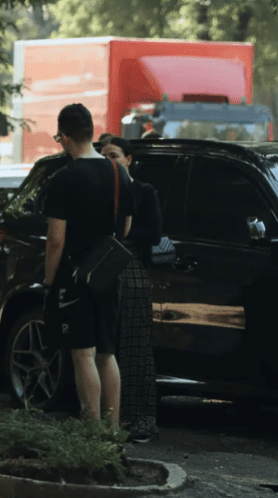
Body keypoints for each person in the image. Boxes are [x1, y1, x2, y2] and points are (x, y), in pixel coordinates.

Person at [43, 104, 136, 425]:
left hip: (75, 275)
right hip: (109, 272)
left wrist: (49, 281)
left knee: (83, 354)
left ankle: (92, 433)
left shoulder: (64, 178)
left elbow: (56, 240)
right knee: (107, 354)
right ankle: (112, 433)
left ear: (66, 138)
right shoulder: (119, 173)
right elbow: (125, 228)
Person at [99, 136, 161, 442]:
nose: (108, 161)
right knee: (101, 346)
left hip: (133, 268)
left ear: (128, 159)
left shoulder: (144, 191)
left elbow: (154, 233)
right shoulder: (97, 190)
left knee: (135, 348)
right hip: (102, 267)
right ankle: (103, 417)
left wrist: (122, 230)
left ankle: (139, 418)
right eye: (103, 156)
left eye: (114, 155)